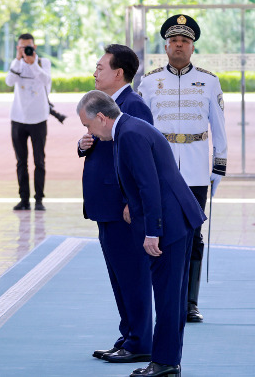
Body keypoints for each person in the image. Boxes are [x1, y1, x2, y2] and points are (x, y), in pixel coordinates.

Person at [77, 90, 206, 377]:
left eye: (88, 126)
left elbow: (149, 186)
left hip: (169, 223)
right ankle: (166, 361)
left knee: (168, 296)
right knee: (170, 295)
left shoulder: (130, 134)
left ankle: (165, 363)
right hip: (176, 218)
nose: (90, 133)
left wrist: (152, 232)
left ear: (101, 117)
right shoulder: (129, 128)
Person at [137, 14, 227, 323]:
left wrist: (219, 167)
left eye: (185, 41)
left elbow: (219, 127)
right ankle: (162, 295)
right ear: (165, 46)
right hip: (158, 168)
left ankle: (190, 302)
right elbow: (139, 127)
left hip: (195, 168)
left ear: (192, 48)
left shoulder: (208, 81)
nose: (179, 45)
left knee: (193, 233)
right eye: (174, 40)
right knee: (156, 230)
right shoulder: (148, 82)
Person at [79, 45, 154, 363]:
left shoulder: (133, 105)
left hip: (122, 207)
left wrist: (130, 201)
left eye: (100, 67)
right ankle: (129, 335)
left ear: (118, 72)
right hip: (105, 204)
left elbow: (141, 158)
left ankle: (140, 342)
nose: (95, 72)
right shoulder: (108, 104)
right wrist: (83, 145)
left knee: (133, 275)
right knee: (119, 275)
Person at [5, 33, 50, 211]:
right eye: (22, 47)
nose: (26, 50)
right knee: (21, 161)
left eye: (28, 47)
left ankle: (39, 199)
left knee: (39, 160)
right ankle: (24, 199)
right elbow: (9, 81)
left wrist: (32, 64)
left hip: (39, 118)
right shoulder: (16, 64)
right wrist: (19, 60)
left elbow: (47, 80)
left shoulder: (43, 63)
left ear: (34, 46)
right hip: (18, 117)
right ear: (18, 48)